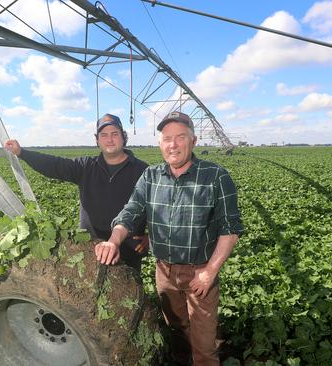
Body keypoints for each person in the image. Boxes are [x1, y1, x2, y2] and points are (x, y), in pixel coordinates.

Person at [94, 111, 244, 365]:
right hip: (163, 272)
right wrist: (113, 240)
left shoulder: (215, 176)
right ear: (161, 143)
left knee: (204, 346)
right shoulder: (151, 176)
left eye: (180, 137)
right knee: (176, 332)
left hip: (199, 272)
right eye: (167, 138)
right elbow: (130, 212)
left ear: (193, 141)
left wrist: (209, 272)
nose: (173, 144)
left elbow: (230, 229)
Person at [4, 113, 149, 269]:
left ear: (123, 137)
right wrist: (22, 152)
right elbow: (54, 165)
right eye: (104, 135)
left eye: (115, 134)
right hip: (90, 247)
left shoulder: (142, 170)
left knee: (128, 290)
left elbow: (157, 208)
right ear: (97, 140)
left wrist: (150, 238)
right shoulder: (86, 166)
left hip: (127, 249)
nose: (109, 139)